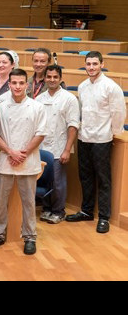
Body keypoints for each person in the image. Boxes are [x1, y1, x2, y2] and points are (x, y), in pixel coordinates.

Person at [0, 68, 47, 255]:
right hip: (6, 159)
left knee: (28, 202)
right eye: (14, 83)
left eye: (21, 83)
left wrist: (23, 153)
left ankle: (30, 237)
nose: (18, 86)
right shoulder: (0, 106)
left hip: (28, 161)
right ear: (9, 84)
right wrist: (10, 152)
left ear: (27, 85)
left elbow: (40, 133)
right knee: (0, 201)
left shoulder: (37, 107)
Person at [66, 51, 126, 233]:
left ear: (102, 64)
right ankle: (86, 210)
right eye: (88, 64)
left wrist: (114, 133)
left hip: (102, 139)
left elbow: (118, 113)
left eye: (94, 64)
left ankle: (105, 217)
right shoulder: (83, 86)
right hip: (84, 137)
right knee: (85, 175)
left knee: (103, 178)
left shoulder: (111, 87)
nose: (91, 67)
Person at [36, 65, 80, 224]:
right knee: (44, 180)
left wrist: (67, 150)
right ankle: (46, 208)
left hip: (59, 146)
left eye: (55, 77)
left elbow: (73, 125)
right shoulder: (40, 98)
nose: (52, 80)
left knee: (57, 182)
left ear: (60, 78)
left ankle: (58, 211)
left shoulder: (69, 99)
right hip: (41, 148)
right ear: (45, 78)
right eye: (49, 77)